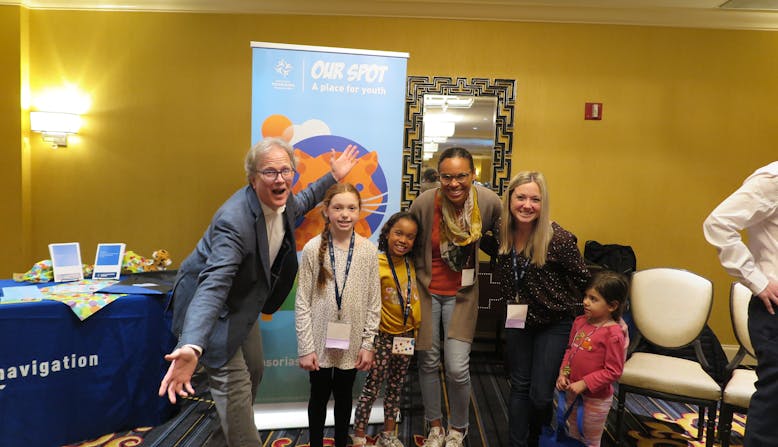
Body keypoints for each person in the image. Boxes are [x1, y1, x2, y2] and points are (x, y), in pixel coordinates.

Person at [158, 137, 358, 447]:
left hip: (243, 303)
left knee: (253, 372)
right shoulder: (233, 221)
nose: (280, 179)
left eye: (285, 170)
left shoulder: (284, 200)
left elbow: (304, 200)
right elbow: (213, 285)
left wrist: (333, 177)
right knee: (236, 391)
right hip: (214, 311)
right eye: (269, 172)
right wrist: (193, 345)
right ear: (253, 178)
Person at [409, 147, 502, 447]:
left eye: (461, 176)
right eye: (446, 176)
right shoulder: (425, 202)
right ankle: (435, 426)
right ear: (438, 176)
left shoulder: (487, 202)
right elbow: (407, 242)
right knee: (428, 360)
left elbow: (505, 238)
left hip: (462, 295)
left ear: (473, 175)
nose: (453, 183)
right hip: (426, 292)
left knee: (457, 366)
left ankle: (458, 428)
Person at [493, 171, 591, 447]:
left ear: (543, 203)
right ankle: (517, 442)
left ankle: (536, 437)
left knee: (540, 395)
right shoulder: (500, 231)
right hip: (517, 320)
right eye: (521, 197)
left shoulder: (558, 239)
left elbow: (586, 280)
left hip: (553, 322)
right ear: (510, 199)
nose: (527, 205)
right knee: (519, 386)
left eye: (535, 199)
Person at [295, 183, 381, 447]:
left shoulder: (368, 250)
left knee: (345, 396)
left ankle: (342, 441)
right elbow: (302, 303)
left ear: (359, 212)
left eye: (351, 208)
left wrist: (368, 344)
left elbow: (373, 302)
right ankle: (317, 443)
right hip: (319, 339)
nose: (345, 214)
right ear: (326, 211)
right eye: (338, 207)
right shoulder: (312, 248)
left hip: (352, 340)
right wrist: (306, 347)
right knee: (318, 396)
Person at [703, 161, 778, 447]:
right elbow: (718, 224)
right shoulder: (773, 179)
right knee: (773, 413)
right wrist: (757, 281)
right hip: (774, 310)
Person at [352, 211, 423, 447]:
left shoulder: (413, 265)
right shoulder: (376, 262)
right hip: (382, 336)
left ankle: (388, 435)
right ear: (387, 233)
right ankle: (360, 434)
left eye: (410, 236)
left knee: (396, 386)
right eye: (398, 233)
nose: (403, 240)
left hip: (406, 335)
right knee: (373, 385)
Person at [555, 270, 629, 447]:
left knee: (589, 440)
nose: (585, 302)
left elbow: (613, 371)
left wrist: (585, 383)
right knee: (573, 434)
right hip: (573, 392)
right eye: (586, 296)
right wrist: (563, 374)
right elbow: (570, 352)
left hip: (595, 400)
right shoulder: (580, 322)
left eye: (593, 299)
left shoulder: (613, 334)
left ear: (612, 306)